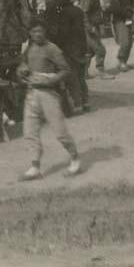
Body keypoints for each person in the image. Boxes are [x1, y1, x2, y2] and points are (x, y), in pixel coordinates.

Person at [16, 17, 81, 181]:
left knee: (60, 132)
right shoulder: (28, 48)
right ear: (29, 34)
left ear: (45, 31)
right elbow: (22, 66)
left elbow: (65, 70)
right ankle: (35, 167)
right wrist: (22, 71)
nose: (37, 34)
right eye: (34, 31)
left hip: (49, 94)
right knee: (30, 132)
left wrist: (53, 79)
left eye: (40, 31)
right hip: (32, 93)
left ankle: (75, 159)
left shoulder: (53, 49)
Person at [57, 0, 90, 113]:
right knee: (81, 77)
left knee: (72, 78)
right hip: (81, 46)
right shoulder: (78, 11)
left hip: (69, 49)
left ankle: (78, 104)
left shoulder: (64, 13)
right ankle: (86, 101)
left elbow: (64, 33)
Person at [79, 0, 114, 80]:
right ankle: (101, 72)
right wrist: (90, 27)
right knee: (100, 49)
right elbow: (84, 13)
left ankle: (83, 73)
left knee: (89, 51)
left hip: (92, 25)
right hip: (90, 27)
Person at [108, 0, 134, 73]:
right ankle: (121, 61)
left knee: (130, 42)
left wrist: (131, 9)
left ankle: (124, 62)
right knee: (125, 42)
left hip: (128, 20)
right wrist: (128, 12)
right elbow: (116, 10)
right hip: (119, 21)